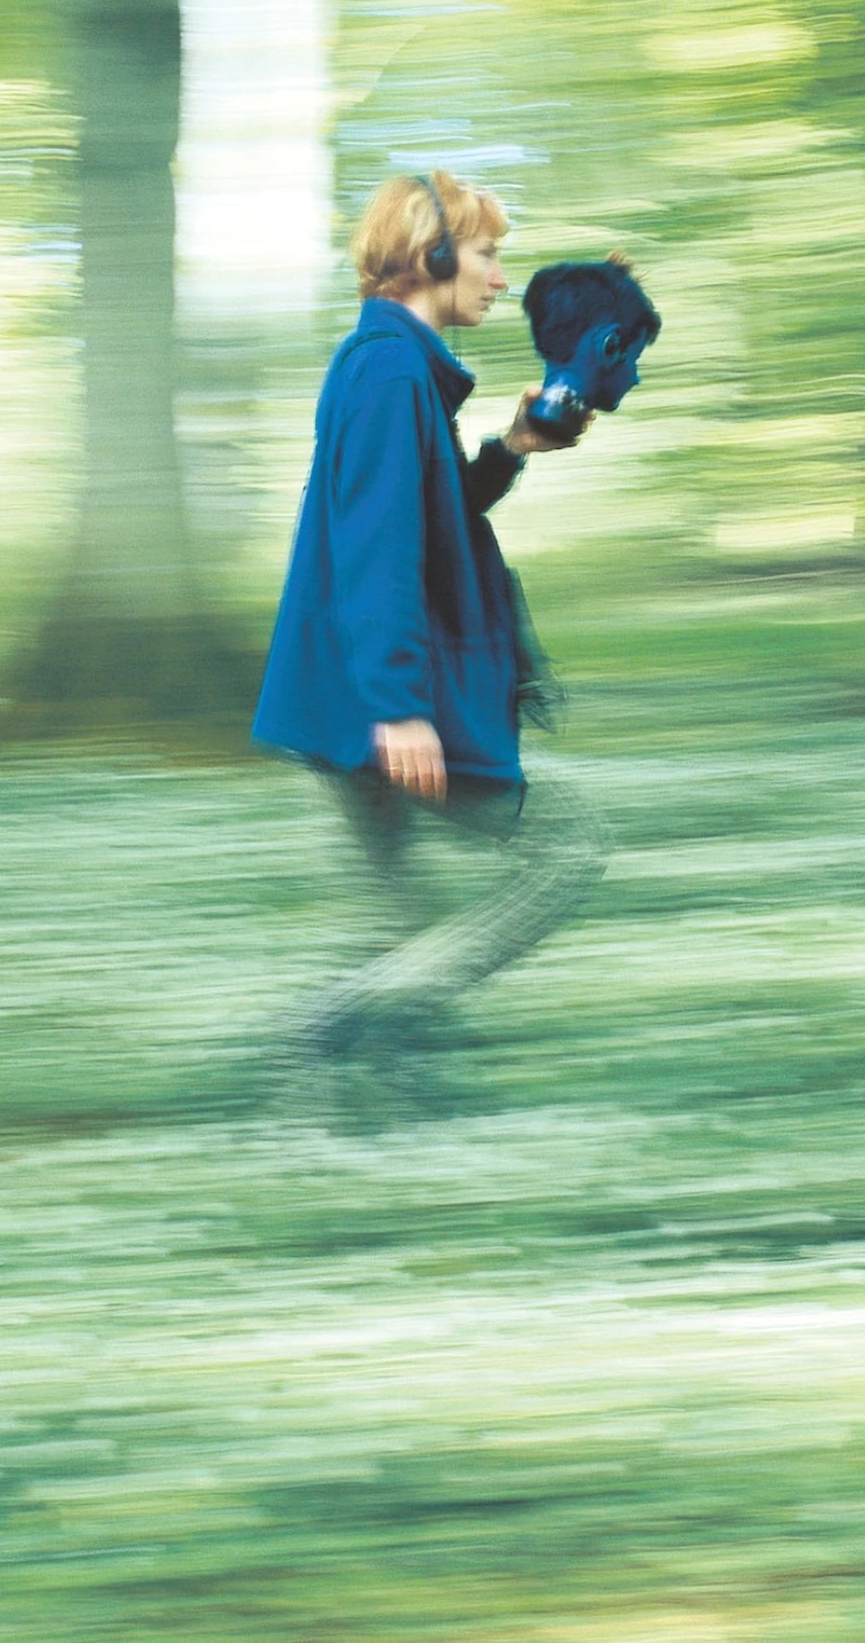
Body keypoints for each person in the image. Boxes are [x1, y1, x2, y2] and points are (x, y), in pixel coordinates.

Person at [252, 170, 609, 1070]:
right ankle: (330, 1023)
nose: (499, 279)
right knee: (568, 846)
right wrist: (400, 705)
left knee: (398, 930)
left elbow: (430, 511)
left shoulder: (394, 368)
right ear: (432, 256)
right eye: (487, 256)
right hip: (373, 702)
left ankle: (360, 1106)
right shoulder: (386, 374)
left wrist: (515, 447)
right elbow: (379, 553)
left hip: (342, 696)